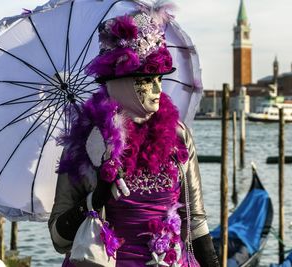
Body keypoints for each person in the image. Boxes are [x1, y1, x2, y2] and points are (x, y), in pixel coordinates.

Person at [48, 7, 219, 267]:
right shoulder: (87, 142)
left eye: (159, 78)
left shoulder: (177, 136)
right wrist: (95, 200)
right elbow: (58, 239)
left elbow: (195, 220)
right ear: (120, 82)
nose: (157, 88)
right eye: (145, 79)